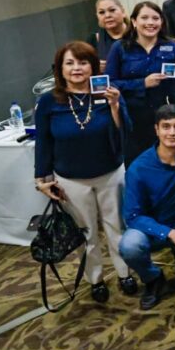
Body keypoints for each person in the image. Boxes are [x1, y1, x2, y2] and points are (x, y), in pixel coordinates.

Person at [34, 41, 136, 303]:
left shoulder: (108, 93)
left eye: (83, 62)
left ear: (93, 66)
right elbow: (44, 142)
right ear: (60, 69)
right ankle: (95, 279)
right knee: (85, 232)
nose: (76, 68)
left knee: (117, 227)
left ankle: (125, 273)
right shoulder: (48, 101)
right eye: (69, 63)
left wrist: (115, 106)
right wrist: (41, 179)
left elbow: (125, 133)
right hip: (71, 179)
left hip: (110, 173)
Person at [119, 105, 175, 310]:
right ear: (156, 129)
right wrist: (171, 233)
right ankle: (153, 278)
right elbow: (132, 216)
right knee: (130, 246)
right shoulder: (139, 169)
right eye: (166, 126)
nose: (172, 132)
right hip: (151, 227)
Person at [105, 1, 175, 166]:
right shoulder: (119, 48)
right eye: (144, 18)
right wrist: (142, 83)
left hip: (161, 116)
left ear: (161, 22)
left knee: (165, 163)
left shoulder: (172, 47)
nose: (150, 22)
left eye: (155, 18)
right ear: (134, 21)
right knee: (137, 165)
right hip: (130, 117)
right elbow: (110, 83)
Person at [87, 0, 128, 71]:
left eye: (112, 10)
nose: (107, 15)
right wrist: (95, 67)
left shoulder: (139, 34)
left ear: (123, 12)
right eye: (102, 12)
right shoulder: (93, 40)